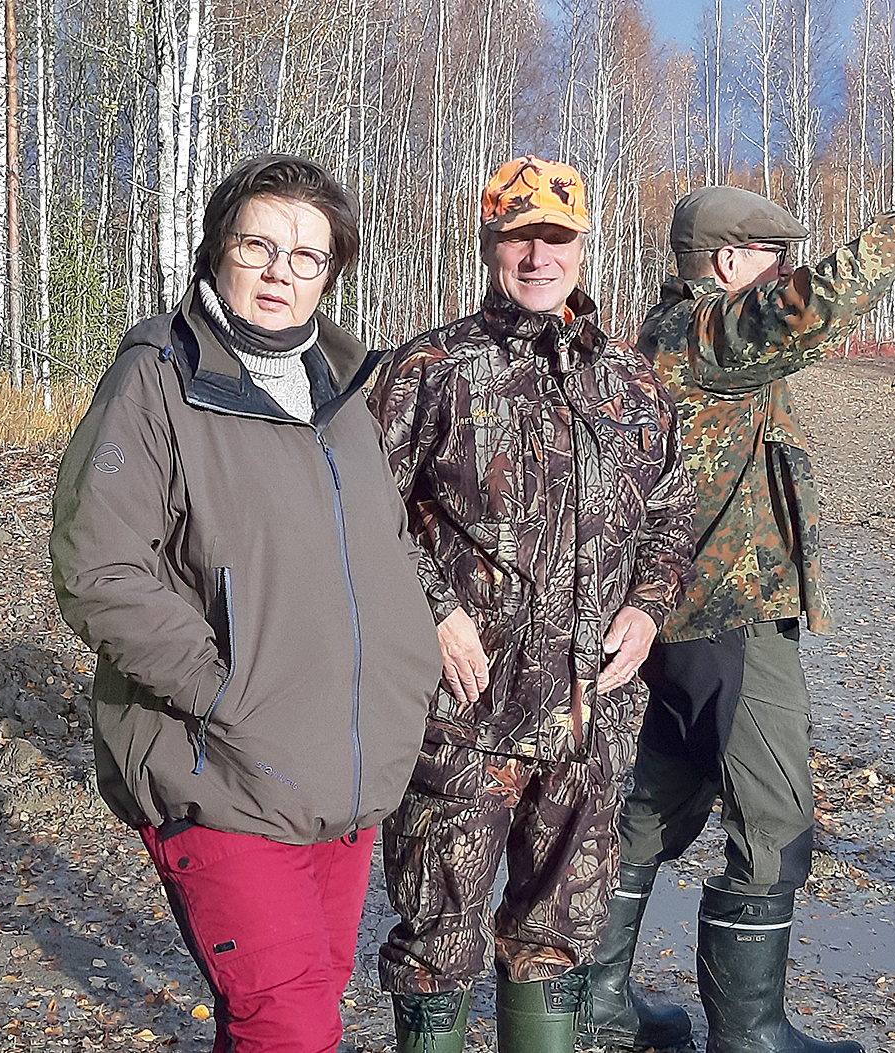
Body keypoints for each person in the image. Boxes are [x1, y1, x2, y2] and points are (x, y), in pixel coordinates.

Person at [578, 180, 895, 1053]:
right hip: (725, 615)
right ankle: (750, 1035)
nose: (782, 273)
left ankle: (595, 999)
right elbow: (817, 303)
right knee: (773, 823)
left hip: (684, 616)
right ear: (729, 261)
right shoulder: (707, 330)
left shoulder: (679, 338)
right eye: (771, 258)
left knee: (659, 802)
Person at [50, 154, 441, 1053]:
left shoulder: (341, 393)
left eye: (306, 256)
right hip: (221, 766)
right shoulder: (157, 375)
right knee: (289, 1019)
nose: (280, 272)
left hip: (342, 768)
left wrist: (407, 670)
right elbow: (96, 566)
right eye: (258, 245)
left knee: (297, 1004)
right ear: (216, 252)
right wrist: (227, 690)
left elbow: (377, 551)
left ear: (330, 272)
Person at [370, 154, 697, 1053]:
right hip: (461, 718)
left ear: (583, 245)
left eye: (557, 236)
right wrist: (432, 607)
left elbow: (672, 514)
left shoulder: (630, 383)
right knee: (436, 943)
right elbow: (357, 515)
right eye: (521, 235)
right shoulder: (430, 369)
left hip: (591, 720)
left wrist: (647, 604)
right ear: (490, 243)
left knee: (553, 944)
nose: (539, 253)